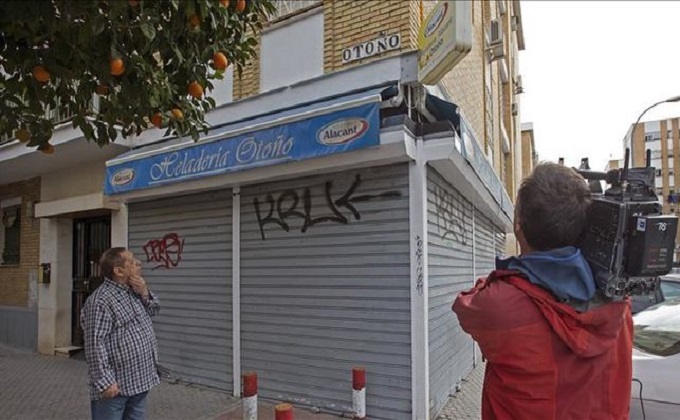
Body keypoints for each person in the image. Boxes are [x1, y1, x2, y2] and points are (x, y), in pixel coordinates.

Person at [453, 163, 632, 420]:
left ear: (518, 224)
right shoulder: (619, 305)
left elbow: (465, 305)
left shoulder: (500, 305)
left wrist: (509, 271)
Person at [81, 247, 161, 420]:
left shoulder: (133, 290)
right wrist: (105, 381)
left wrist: (144, 292)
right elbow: (95, 344)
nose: (139, 264)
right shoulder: (100, 301)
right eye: (132, 262)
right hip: (116, 387)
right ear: (118, 271)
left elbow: (155, 310)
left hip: (139, 380)